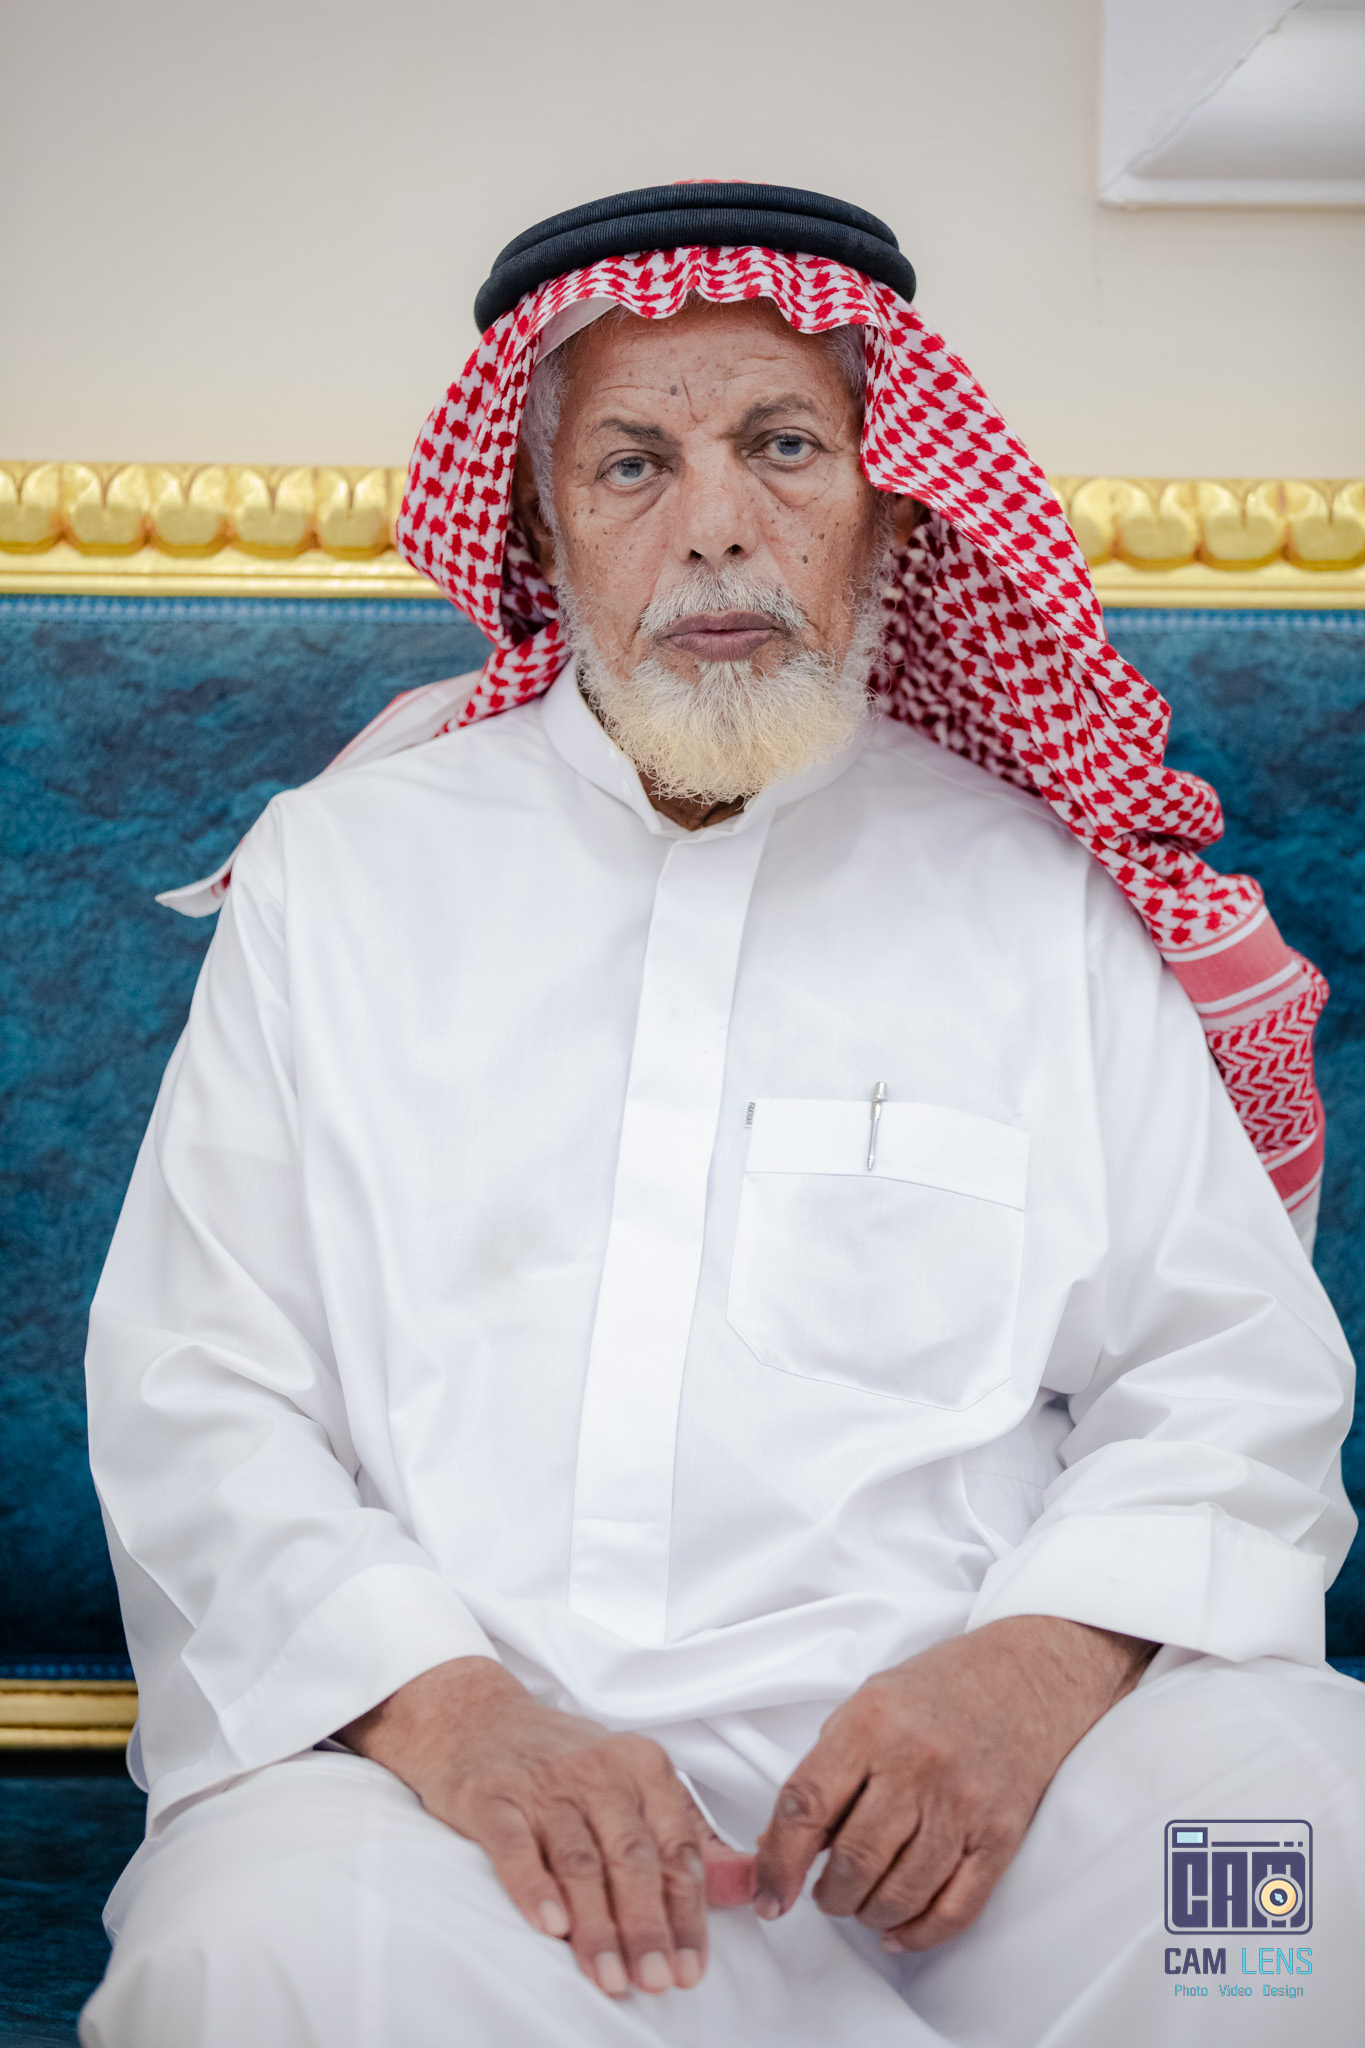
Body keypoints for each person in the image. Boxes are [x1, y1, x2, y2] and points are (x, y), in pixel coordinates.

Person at [81, 184, 1362, 2047]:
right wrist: (449, 1715)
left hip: (988, 1815)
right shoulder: (338, 882)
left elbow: (1227, 1369)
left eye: (782, 446)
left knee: (1303, 1864)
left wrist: (1035, 1670)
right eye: (631, 463)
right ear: (542, 524)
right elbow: (201, 1393)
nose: (716, 527)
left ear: (891, 500)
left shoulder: (1038, 892)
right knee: (262, 1963)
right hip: (469, 1812)